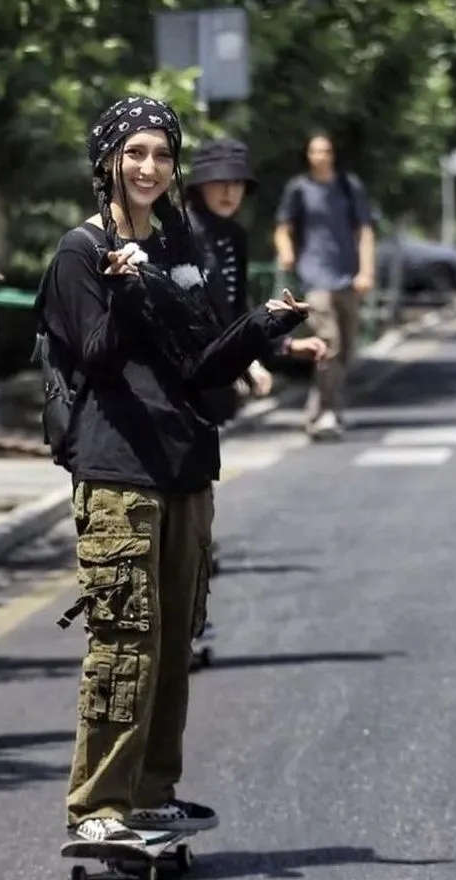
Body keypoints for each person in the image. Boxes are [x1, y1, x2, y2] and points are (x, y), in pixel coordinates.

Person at [35, 96, 308, 844]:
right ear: (107, 162)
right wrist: (125, 294)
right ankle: (98, 806)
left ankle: (152, 792)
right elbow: (95, 355)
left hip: (186, 465)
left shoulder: (177, 246)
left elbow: (200, 362)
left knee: (173, 642)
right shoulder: (81, 251)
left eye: (161, 154)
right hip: (118, 469)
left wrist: (263, 329)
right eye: (135, 153)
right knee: (124, 643)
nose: (149, 167)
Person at [182, 135, 326, 653]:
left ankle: (189, 625)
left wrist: (282, 345)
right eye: (218, 182)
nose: (228, 192)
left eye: (237, 184)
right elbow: (195, 315)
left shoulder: (233, 237)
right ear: (199, 185)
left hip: (209, 386)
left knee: (196, 508)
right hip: (176, 383)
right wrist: (246, 358)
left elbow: (236, 311)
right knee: (183, 512)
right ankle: (180, 628)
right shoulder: (177, 233)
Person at [273, 131, 375, 441]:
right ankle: (325, 414)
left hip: (347, 276)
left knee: (345, 351)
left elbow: (365, 231)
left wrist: (366, 272)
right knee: (329, 344)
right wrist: (287, 253)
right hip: (315, 276)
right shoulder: (299, 189)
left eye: (325, 151)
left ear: (333, 154)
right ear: (307, 155)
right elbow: (283, 228)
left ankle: (323, 412)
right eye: (315, 151)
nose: (320, 156)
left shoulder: (348, 186)